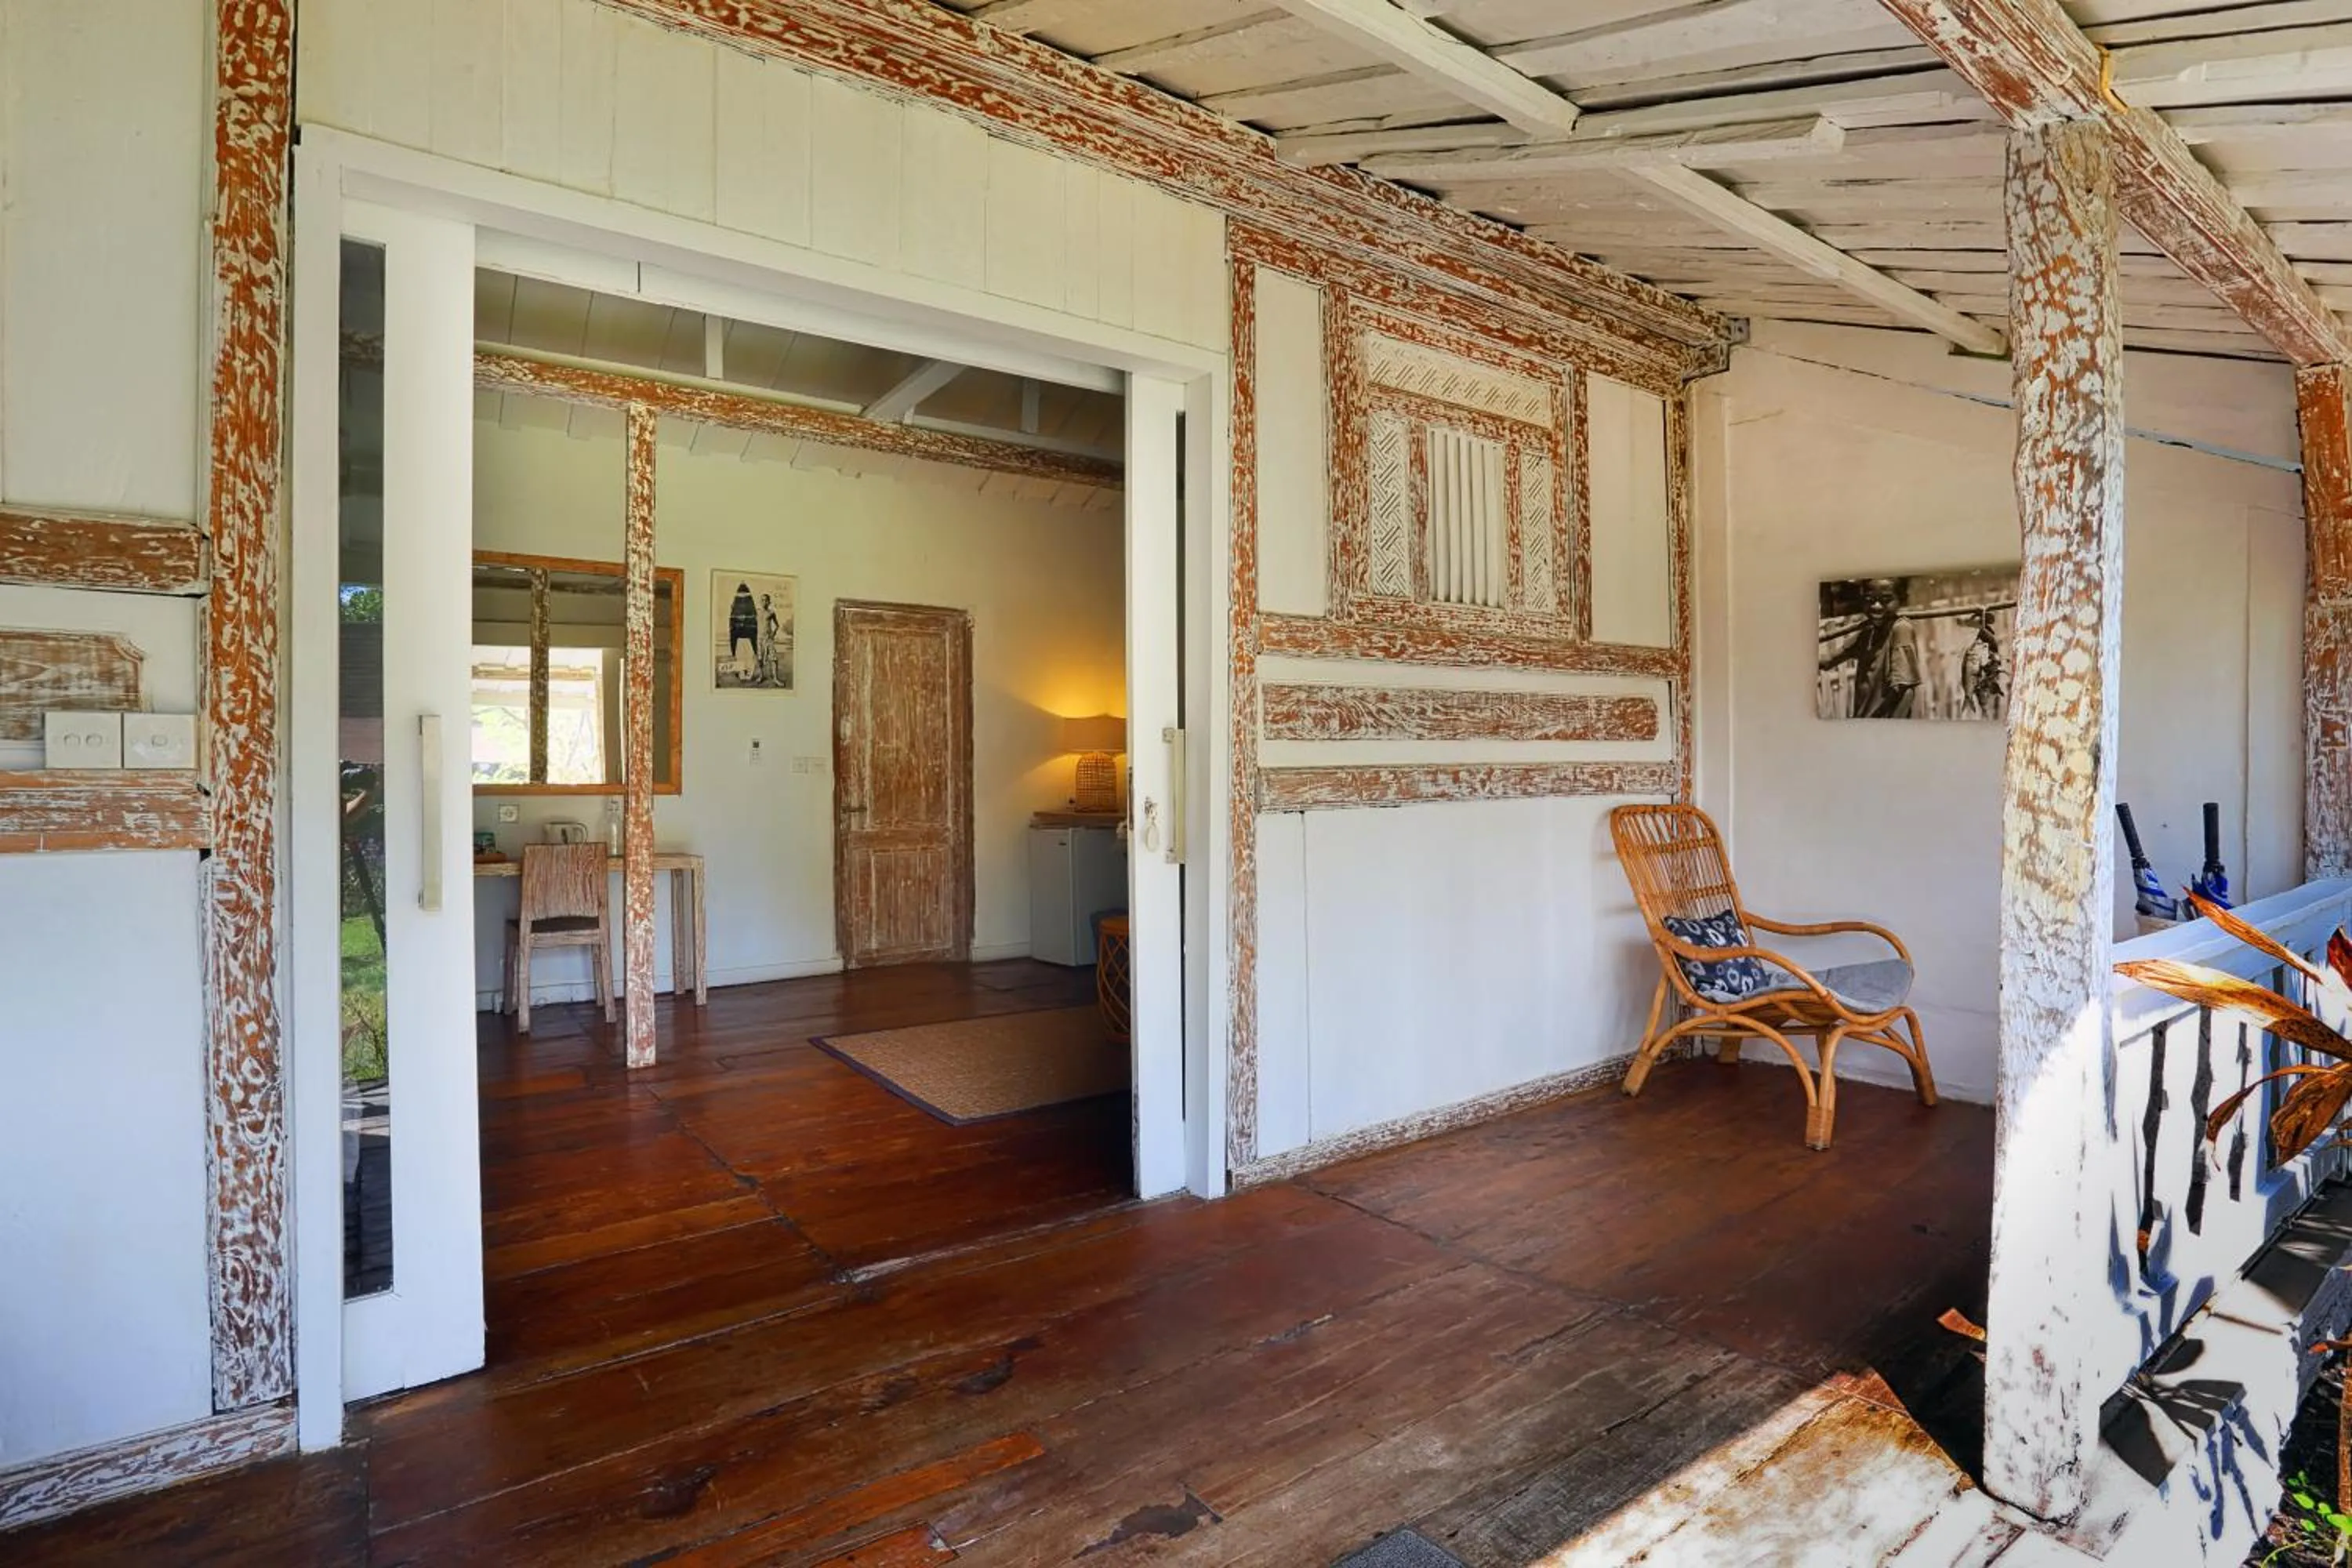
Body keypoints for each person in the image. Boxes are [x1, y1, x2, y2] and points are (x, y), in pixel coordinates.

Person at [1820, 578, 1922, 718]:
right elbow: (1828, 660)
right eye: (1869, 600)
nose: (1877, 606)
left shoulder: (1900, 629)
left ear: (1901, 600)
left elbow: (1907, 692)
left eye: (1886, 600)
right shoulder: (1867, 633)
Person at [726, 582, 759, 681]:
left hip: (744, 637)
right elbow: (733, 628)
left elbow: (732, 628)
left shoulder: (737, 609)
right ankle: (744, 674)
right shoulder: (746, 609)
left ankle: (745, 674)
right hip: (743, 637)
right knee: (744, 656)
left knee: (745, 656)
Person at [759, 593, 783, 688]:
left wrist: (774, 633)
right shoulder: (757, 612)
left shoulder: (771, 613)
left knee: (774, 659)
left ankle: (776, 679)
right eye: (762, 600)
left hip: (769, 639)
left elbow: (777, 625)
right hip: (759, 639)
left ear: (769, 602)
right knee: (760, 659)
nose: (764, 602)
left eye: (765, 600)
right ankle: (761, 676)